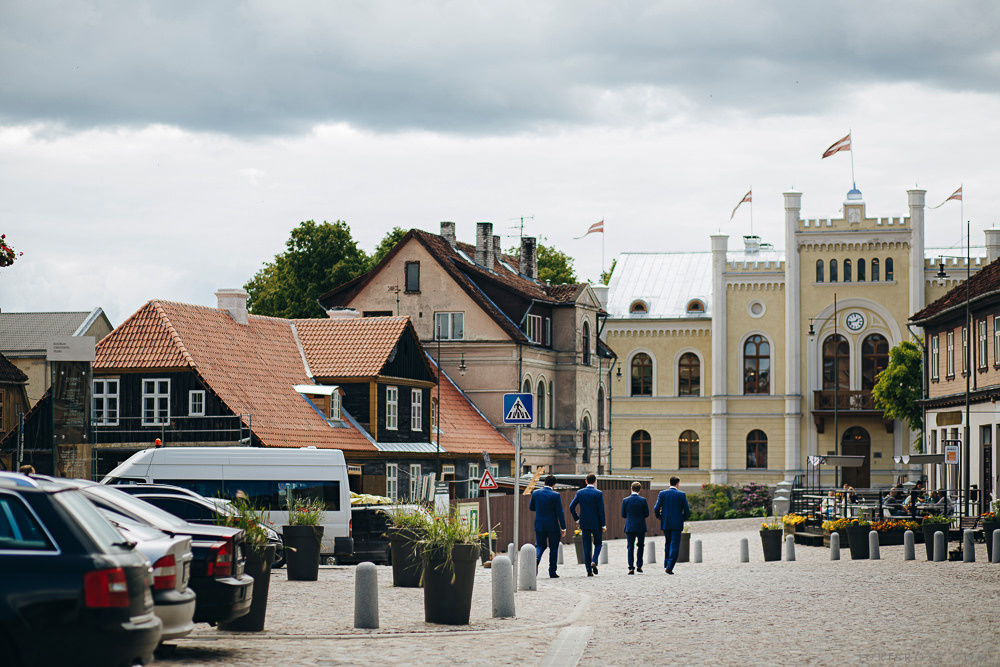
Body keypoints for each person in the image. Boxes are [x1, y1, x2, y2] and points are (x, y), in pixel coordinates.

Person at [529, 474, 566, 578]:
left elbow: (531, 507)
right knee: (553, 548)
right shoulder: (555, 495)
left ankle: (537, 558)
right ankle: (552, 571)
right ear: (554, 484)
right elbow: (560, 512)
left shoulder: (535, 493)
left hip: (539, 524)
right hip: (552, 525)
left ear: (544, 482)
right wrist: (563, 527)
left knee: (540, 545)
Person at [570, 473, 606, 576]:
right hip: (596, 523)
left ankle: (588, 570)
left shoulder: (580, 492)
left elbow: (571, 506)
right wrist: (603, 524)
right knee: (598, 543)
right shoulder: (598, 493)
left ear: (586, 481)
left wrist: (577, 519)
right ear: (595, 481)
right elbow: (601, 510)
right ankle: (594, 560)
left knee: (586, 546)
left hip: (584, 522)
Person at [653, 476, 691, 575]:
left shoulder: (662, 493)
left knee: (668, 543)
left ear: (669, 483)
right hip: (677, 523)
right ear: (677, 484)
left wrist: (660, 517)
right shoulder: (681, 494)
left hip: (666, 522)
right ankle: (669, 566)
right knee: (675, 544)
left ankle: (666, 563)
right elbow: (687, 510)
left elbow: (656, 508)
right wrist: (682, 518)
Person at [621, 481, 649, 575]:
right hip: (640, 526)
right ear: (640, 490)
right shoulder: (643, 500)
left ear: (631, 489)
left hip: (630, 526)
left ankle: (631, 567)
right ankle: (639, 565)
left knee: (630, 547)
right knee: (640, 546)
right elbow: (647, 514)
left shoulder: (625, 500)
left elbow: (623, 514)